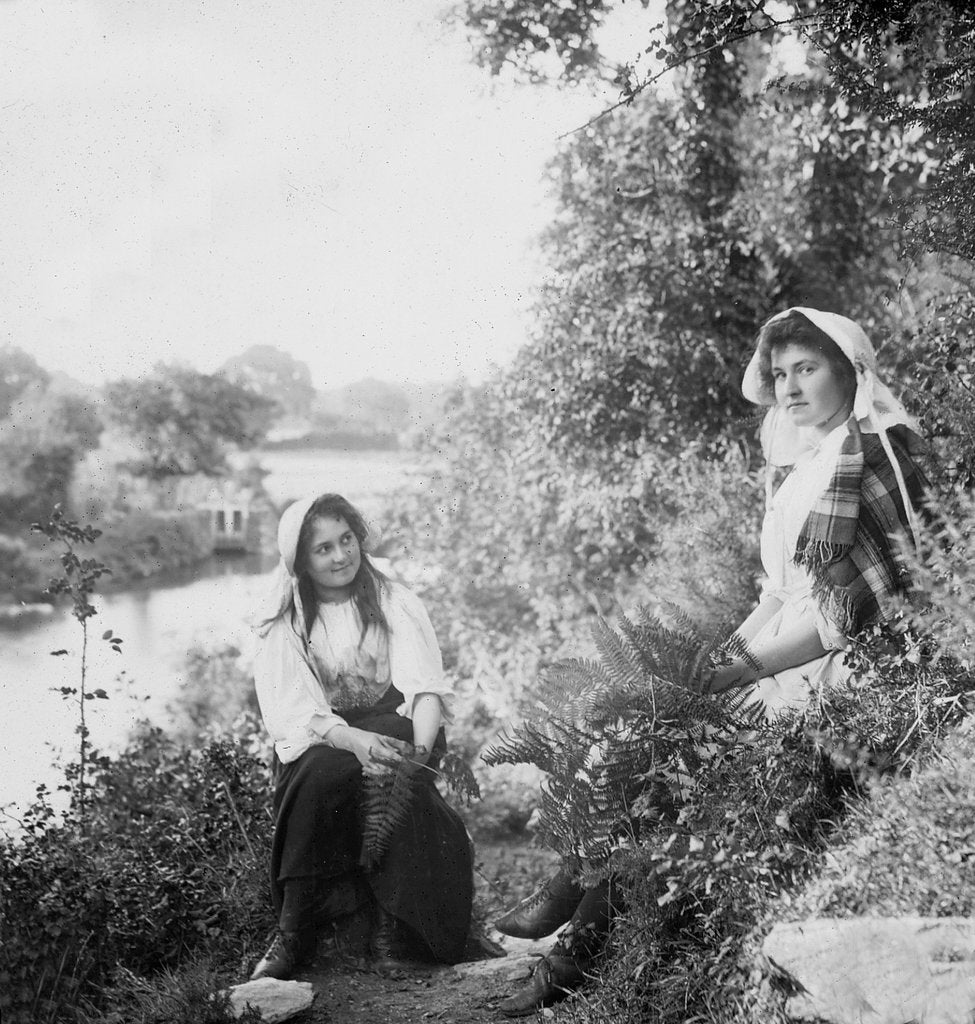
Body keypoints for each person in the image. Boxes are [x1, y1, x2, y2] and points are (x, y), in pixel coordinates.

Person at [495, 307, 930, 1016]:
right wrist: (720, 657)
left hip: (845, 663)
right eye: (780, 373)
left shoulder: (874, 454)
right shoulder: (804, 463)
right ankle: (568, 897)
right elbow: (777, 591)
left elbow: (842, 614)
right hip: (781, 648)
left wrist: (748, 667)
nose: (789, 388)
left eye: (807, 369)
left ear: (849, 371)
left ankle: (574, 942)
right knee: (648, 713)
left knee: (673, 754)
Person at [249, 493, 473, 981]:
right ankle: (293, 929)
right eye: (323, 549)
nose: (340, 556)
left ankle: (397, 926)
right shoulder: (287, 619)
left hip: (396, 722)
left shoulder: (391, 599)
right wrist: (352, 740)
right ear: (302, 562)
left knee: (393, 761)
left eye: (345, 539)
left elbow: (424, 687)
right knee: (321, 771)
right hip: (324, 735)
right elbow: (296, 712)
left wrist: (418, 751)